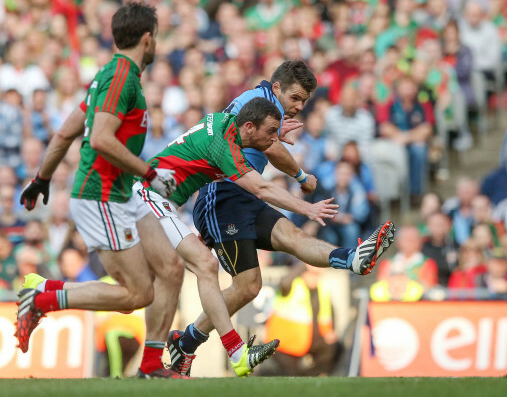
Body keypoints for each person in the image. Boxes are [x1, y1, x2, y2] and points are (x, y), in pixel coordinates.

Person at [165, 63, 396, 376]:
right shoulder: (261, 106)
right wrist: (303, 180)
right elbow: (270, 152)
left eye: (304, 101)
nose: (299, 107)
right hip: (221, 197)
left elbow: (269, 148)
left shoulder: (261, 101)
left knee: (290, 242)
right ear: (276, 88)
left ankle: (351, 258)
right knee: (247, 286)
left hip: (243, 196)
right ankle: (189, 343)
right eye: (296, 97)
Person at [15, 2, 189, 379]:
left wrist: (42, 178)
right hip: (102, 195)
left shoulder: (109, 76)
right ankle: (43, 297)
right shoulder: (121, 77)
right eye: (156, 36)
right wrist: (150, 173)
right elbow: (100, 138)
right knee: (138, 293)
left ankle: (150, 365)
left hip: (122, 191)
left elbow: (66, 132)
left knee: (172, 269)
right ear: (148, 38)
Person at [137, 98, 340, 377]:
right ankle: (233, 352)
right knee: (201, 267)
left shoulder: (224, 125)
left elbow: (249, 140)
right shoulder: (225, 147)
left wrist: (271, 133)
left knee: (151, 287)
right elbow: (262, 189)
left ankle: (179, 350)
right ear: (248, 126)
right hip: (150, 198)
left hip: (162, 203)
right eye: (269, 132)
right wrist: (307, 207)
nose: (273, 140)